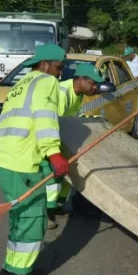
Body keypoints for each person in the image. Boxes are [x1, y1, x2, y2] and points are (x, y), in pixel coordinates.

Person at [0, 43, 69, 275]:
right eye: (58, 67)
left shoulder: (21, 84)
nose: (60, 73)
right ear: (44, 65)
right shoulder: (46, 82)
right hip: (20, 161)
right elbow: (45, 119)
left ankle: (12, 268)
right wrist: (54, 153)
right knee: (32, 218)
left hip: (5, 159)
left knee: (20, 215)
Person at [42, 62, 107, 230]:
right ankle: (46, 212)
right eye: (92, 83)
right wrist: (55, 153)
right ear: (81, 80)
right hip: (50, 139)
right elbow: (52, 123)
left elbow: (69, 121)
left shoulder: (77, 94)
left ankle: (57, 204)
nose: (95, 87)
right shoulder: (62, 93)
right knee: (53, 176)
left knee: (68, 173)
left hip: (62, 138)